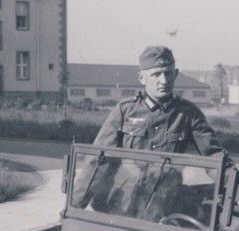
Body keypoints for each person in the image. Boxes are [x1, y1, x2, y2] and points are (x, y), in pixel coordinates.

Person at [92, 46, 226, 157]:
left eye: (168, 73)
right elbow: (98, 156)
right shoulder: (124, 111)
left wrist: (233, 180)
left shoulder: (189, 114)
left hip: (168, 182)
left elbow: (215, 155)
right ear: (141, 78)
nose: (164, 81)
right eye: (156, 74)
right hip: (130, 182)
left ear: (175, 74)